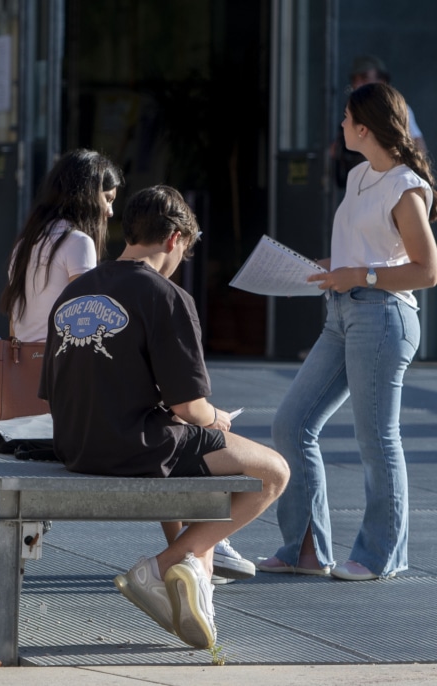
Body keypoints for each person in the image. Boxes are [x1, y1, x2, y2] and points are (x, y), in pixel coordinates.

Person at [40, 185, 289, 648]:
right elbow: (189, 409)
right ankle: (161, 566)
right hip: (132, 446)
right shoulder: (167, 296)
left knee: (197, 458)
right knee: (271, 471)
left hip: (73, 445)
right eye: (184, 252)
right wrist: (217, 418)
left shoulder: (77, 289)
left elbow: (52, 390)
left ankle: (196, 577)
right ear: (174, 239)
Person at [259, 82, 437, 581]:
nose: (338, 126)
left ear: (365, 128)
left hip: (383, 318)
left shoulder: (406, 187)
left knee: (377, 439)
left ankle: (381, 556)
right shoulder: (359, 174)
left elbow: (427, 271)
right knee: (290, 425)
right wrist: (323, 267)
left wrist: (359, 276)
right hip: (342, 314)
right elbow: (366, 250)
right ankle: (307, 551)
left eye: (345, 118)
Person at [0, 148, 123, 342]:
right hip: (58, 362)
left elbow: (14, 324)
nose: (110, 212)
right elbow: (85, 320)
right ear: (88, 194)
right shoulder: (79, 242)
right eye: (107, 199)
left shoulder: (25, 243)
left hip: (24, 361)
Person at [332, 55, 427, 188]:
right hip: (361, 185)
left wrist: (410, 177)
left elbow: (418, 146)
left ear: (382, 81)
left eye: (364, 78)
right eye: (355, 80)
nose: (358, 85)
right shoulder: (356, 175)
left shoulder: (394, 109)